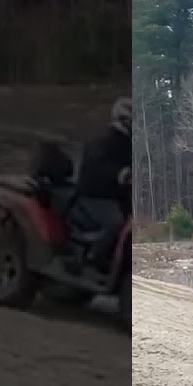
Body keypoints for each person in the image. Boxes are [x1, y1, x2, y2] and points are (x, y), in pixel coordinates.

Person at [71, 96, 132, 275]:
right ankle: (94, 258)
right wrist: (121, 173)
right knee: (118, 224)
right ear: (123, 120)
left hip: (117, 196)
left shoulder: (129, 142)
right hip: (95, 197)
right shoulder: (103, 141)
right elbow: (99, 165)